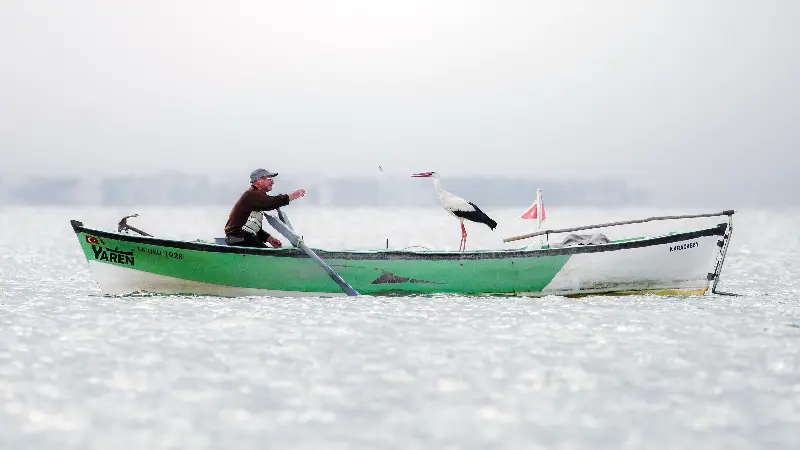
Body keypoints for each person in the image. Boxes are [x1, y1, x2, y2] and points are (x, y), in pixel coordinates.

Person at [224, 168, 307, 248]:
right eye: (269, 179)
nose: (273, 182)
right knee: (267, 253)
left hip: (243, 237)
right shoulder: (252, 195)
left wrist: (269, 239)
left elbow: (251, 227)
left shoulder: (256, 196)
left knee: (261, 245)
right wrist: (294, 195)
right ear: (258, 180)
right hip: (239, 238)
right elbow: (272, 202)